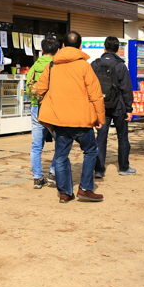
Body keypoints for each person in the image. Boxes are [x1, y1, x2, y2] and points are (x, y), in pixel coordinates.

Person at [34, 31, 105, 203]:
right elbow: (96, 95)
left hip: (59, 119)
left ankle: (65, 192)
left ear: (63, 46)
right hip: (81, 120)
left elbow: (39, 90)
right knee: (90, 151)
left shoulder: (52, 65)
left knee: (60, 156)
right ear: (80, 46)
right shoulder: (84, 66)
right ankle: (85, 188)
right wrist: (100, 119)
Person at [93, 36, 136, 178]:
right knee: (123, 138)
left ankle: (99, 170)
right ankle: (123, 167)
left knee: (101, 138)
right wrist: (129, 109)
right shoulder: (120, 65)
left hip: (101, 108)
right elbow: (126, 89)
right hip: (118, 107)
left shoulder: (95, 64)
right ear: (117, 49)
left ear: (104, 48)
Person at [25, 36, 59, 189]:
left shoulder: (34, 66)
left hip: (36, 107)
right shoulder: (57, 66)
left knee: (36, 146)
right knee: (61, 142)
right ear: (57, 50)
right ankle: (53, 172)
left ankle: (37, 178)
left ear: (42, 50)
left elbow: (28, 89)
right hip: (53, 109)